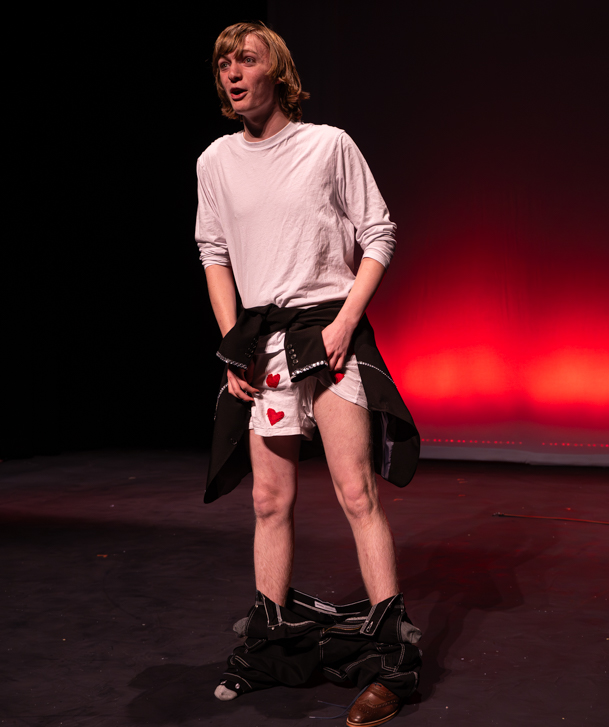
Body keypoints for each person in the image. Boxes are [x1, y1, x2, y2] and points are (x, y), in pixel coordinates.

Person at [194, 22, 421, 726]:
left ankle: (390, 656)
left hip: (329, 332)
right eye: (224, 62)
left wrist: (346, 323)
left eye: (248, 59)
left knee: (356, 489)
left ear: (277, 71)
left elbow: (378, 233)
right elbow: (214, 250)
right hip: (264, 342)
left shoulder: (328, 144)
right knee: (269, 498)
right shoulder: (216, 161)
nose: (234, 72)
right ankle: (270, 643)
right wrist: (233, 343)